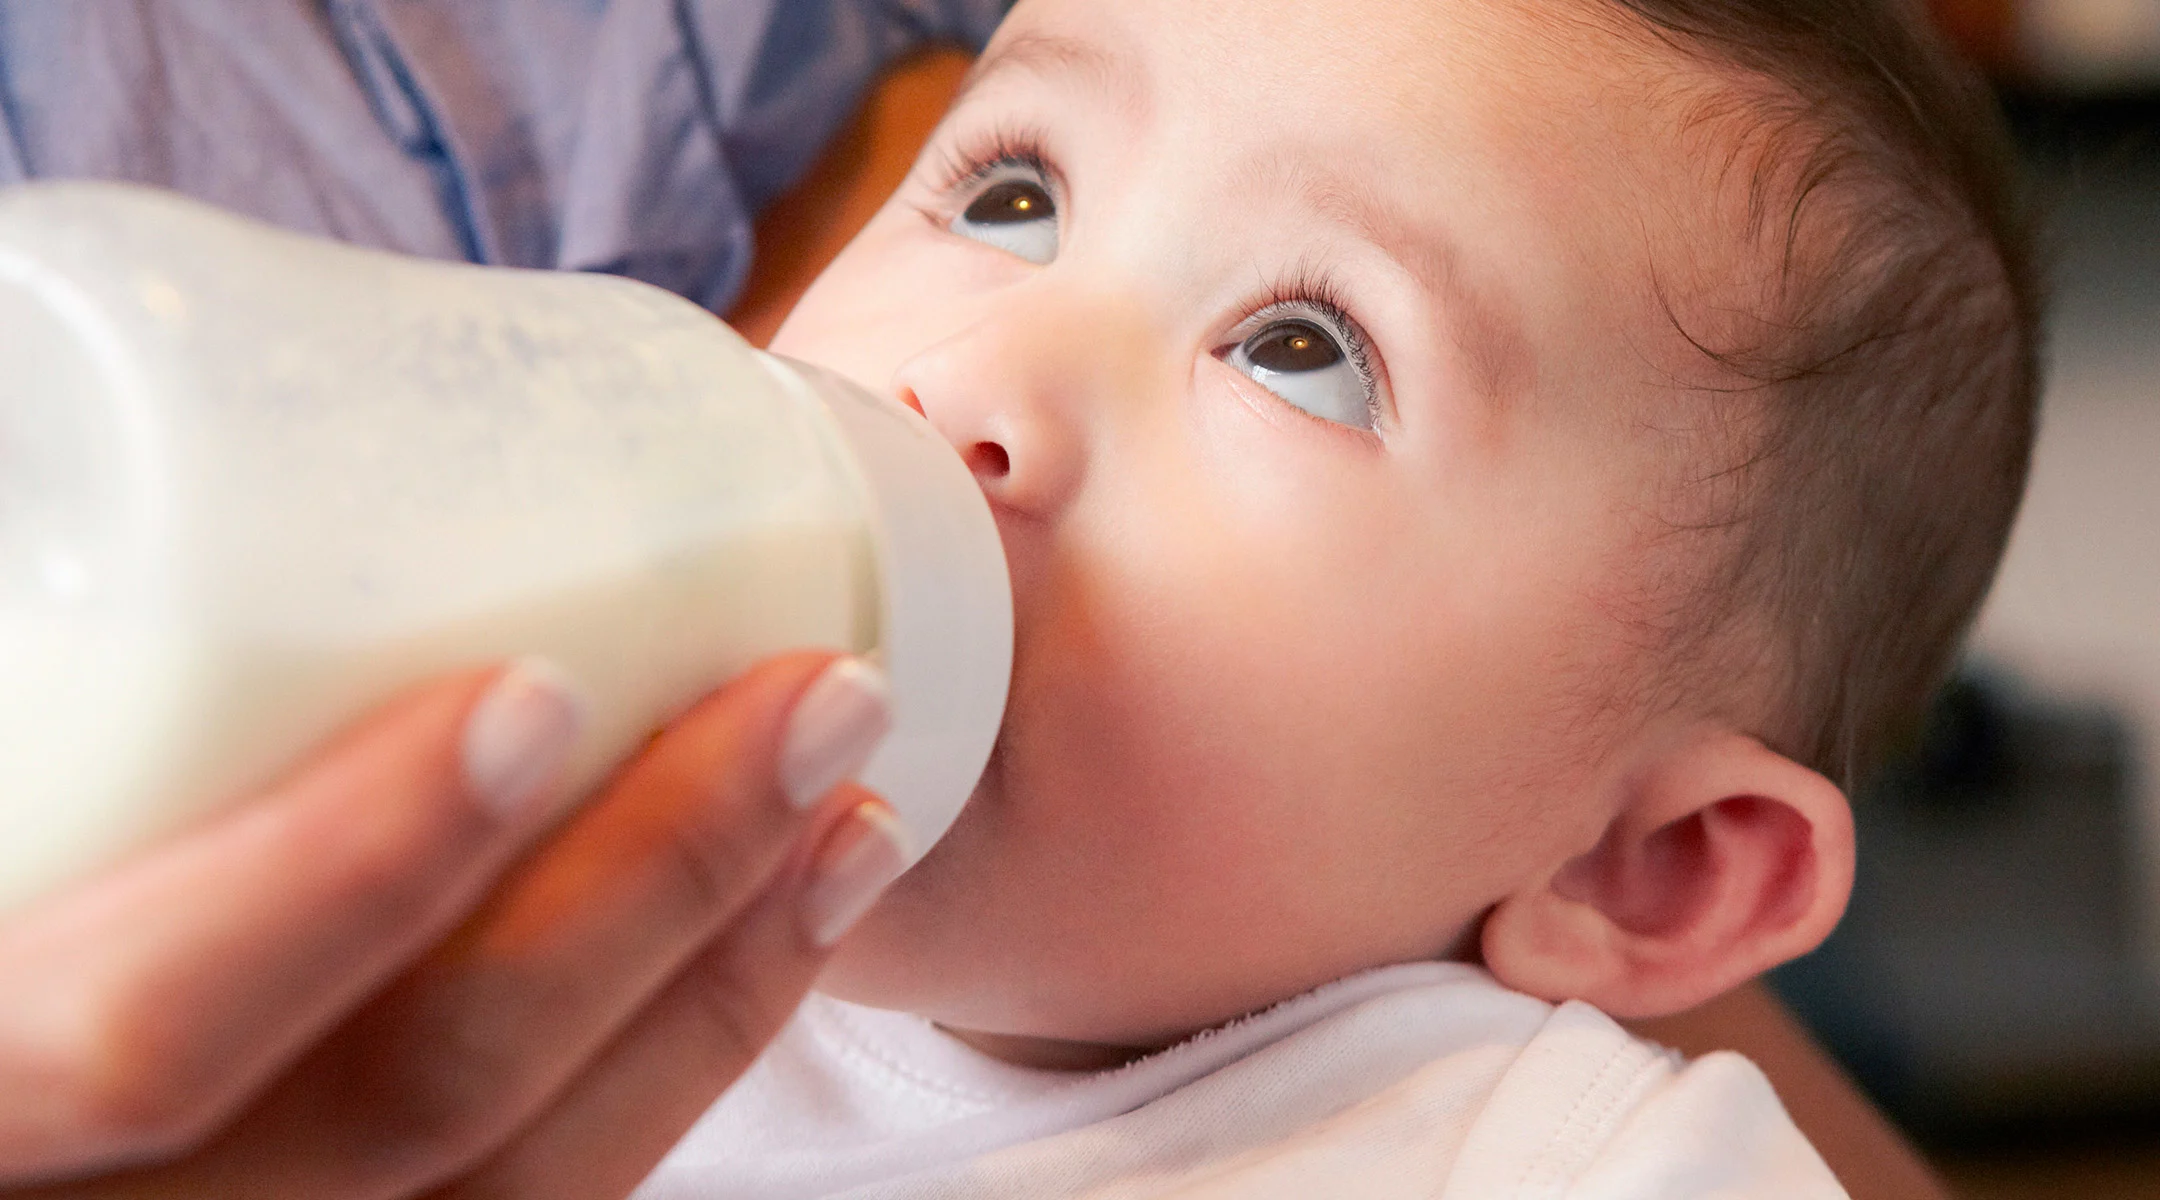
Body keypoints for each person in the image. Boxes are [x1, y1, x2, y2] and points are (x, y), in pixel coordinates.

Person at [0, 0, 2025, 1195]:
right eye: (1013, 198)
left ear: (1658, 871)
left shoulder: (1555, 1161)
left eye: (1305, 348)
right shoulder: (558, 944)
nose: (986, 377)